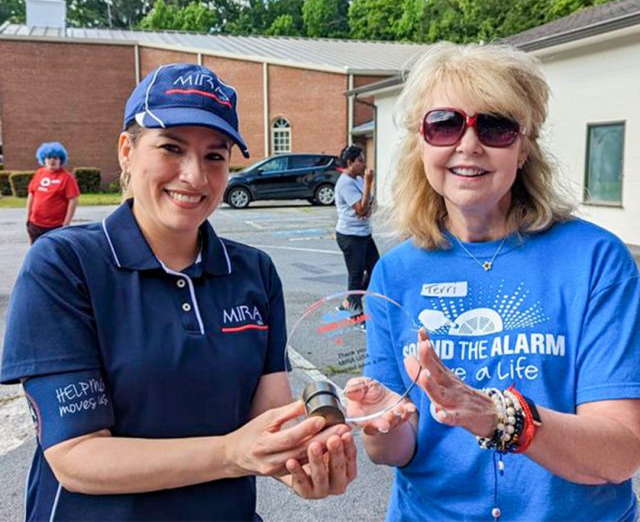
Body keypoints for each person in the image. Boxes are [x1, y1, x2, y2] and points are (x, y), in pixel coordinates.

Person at [1, 63, 356, 521]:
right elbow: (76, 457)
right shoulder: (65, 265)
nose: (195, 176)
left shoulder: (254, 272)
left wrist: (304, 459)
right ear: (127, 151)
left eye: (215, 156)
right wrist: (232, 452)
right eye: (171, 147)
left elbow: (265, 420)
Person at [345, 42, 640, 521]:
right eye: (444, 124)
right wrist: (379, 422)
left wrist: (501, 418)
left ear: (523, 148)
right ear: (421, 143)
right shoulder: (396, 272)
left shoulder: (595, 260)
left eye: (496, 126)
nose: (467, 144)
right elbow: (397, 449)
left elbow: (620, 452)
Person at [334, 145, 380, 315]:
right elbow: (361, 209)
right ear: (349, 162)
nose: (364, 164)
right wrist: (369, 184)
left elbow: (369, 205)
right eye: (360, 161)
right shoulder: (345, 183)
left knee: (375, 268)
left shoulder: (358, 180)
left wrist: (366, 204)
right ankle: (355, 314)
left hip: (364, 234)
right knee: (356, 275)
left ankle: (349, 301)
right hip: (350, 236)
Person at [26, 141, 80, 243]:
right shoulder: (39, 173)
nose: (52, 161)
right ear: (43, 159)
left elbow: (73, 200)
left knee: (53, 253)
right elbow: (31, 194)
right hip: (35, 224)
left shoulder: (67, 177)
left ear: (60, 160)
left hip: (55, 226)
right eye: (49, 157)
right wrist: (28, 217)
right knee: (36, 252)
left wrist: (66, 223)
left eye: (55, 158)